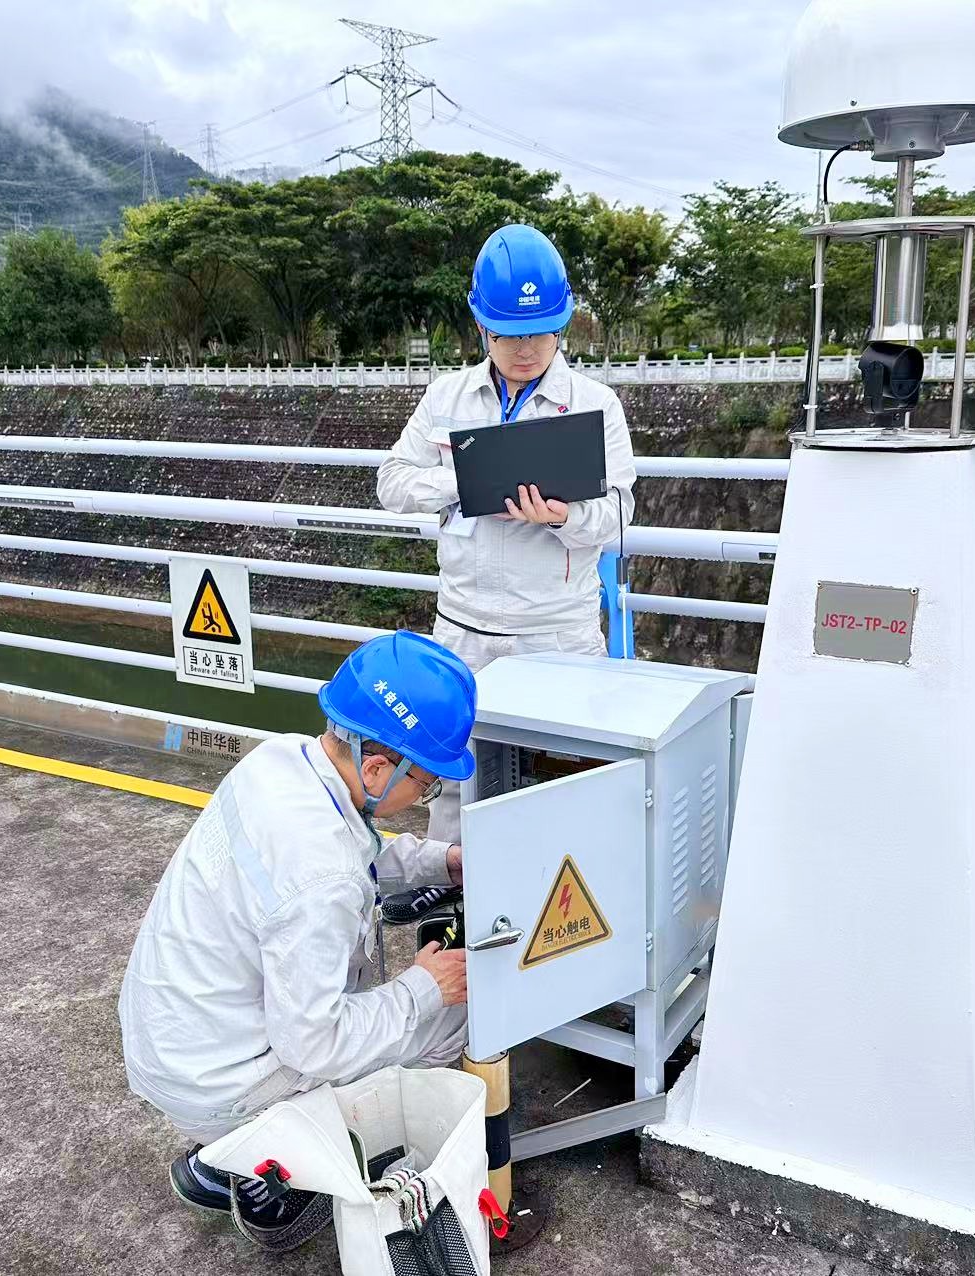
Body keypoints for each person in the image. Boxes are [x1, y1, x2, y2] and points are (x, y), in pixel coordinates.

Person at [118, 630, 477, 1250]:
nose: (426, 796)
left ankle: (227, 1152)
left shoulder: (281, 760)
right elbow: (315, 1041)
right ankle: (273, 1162)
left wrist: (440, 862)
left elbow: (351, 850)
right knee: (453, 1019)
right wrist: (425, 987)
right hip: (221, 1083)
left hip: (177, 1045)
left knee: (390, 1006)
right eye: (427, 784)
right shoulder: (321, 879)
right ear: (377, 768)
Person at [377, 223, 636, 857]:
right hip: (462, 629)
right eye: (508, 334)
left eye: (540, 333)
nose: (525, 349)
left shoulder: (595, 405)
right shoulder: (447, 397)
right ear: (481, 326)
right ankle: (455, 901)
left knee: (565, 783)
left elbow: (619, 519)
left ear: (562, 325)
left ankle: (563, 910)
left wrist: (561, 518)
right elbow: (392, 483)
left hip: (556, 632)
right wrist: (465, 480)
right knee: (454, 788)